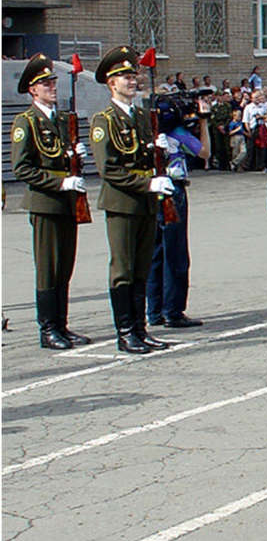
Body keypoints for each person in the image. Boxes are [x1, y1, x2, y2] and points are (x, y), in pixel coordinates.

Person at [90, 46, 175, 354]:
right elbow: (109, 169)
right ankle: (125, 331)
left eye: (133, 74)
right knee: (123, 269)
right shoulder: (105, 121)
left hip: (147, 201)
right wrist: (148, 182)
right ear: (111, 83)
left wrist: (160, 151)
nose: (133, 80)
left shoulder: (141, 116)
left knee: (141, 267)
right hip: (122, 203)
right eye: (125, 77)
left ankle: (140, 329)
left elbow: (145, 157)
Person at [10, 54, 92, 349]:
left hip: (68, 203)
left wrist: (76, 156)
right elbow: (22, 168)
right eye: (45, 83)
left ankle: (62, 325)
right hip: (45, 202)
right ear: (32, 90)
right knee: (48, 267)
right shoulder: (27, 122)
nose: (52, 87)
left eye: (53, 81)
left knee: (64, 267)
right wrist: (60, 182)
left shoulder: (60, 119)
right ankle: (48, 329)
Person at [145, 92, 210, 328]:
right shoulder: (178, 133)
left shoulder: (148, 134)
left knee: (155, 253)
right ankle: (172, 310)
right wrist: (203, 121)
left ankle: (154, 310)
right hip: (174, 191)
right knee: (176, 254)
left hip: (152, 190)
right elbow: (204, 152)